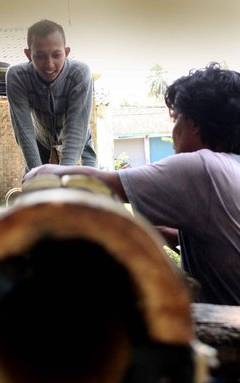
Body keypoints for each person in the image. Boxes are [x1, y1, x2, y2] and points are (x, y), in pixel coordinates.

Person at [23, 62, 240, 306]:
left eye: (177, 118)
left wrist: (37, 173)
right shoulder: (232, 166)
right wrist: (175, 236)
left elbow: (100, 182)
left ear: (194, 124)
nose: (174, 132)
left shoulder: (201, 167)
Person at [6, 19, 97, 172]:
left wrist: (63, 178)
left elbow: (75, 130)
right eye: (40, 56)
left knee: (90, 185)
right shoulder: (17, 76)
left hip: (79, 140)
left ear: (67, 53)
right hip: (40, 140)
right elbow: (23, 130)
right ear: (28, 55)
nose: (49, 64)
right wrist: (38, 175)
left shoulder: (80, 74)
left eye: (56, 55)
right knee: (35, 184)